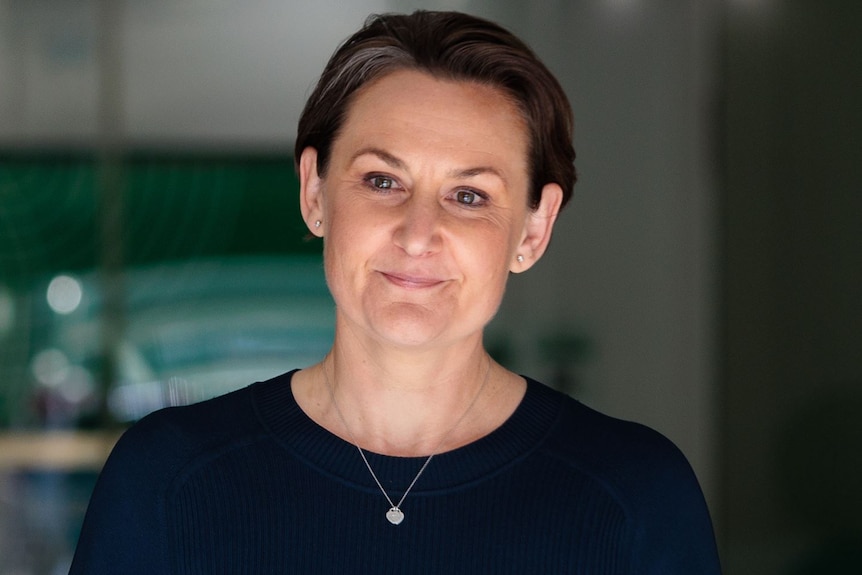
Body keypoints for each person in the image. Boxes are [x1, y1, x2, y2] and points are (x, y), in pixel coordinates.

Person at [70, 10, 721, 574]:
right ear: (315, 192)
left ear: (533, 227)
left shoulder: (635, 496)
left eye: (469, 196)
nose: (418, 234)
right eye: (383, 181)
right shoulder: (165, 481)